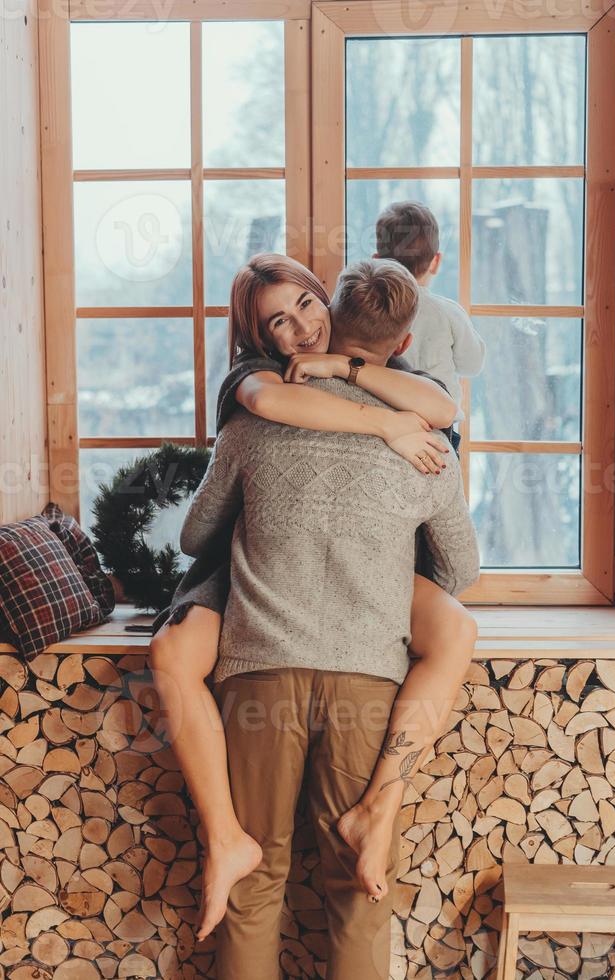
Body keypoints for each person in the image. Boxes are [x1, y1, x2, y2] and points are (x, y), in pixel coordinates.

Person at [148, 254, 478, 948]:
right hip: (363, 655)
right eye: (279, 320)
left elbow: (197, 530)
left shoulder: (377, 406)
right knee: (358, 891)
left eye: (306, 306)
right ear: (258, 337)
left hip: (266, 650)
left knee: (255, 880)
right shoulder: (269, 392)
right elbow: (461, 564)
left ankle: (336, 820)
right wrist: (387, 449)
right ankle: (374, 812)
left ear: (329, 301)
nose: (300, 327)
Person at [375, 200, 486, 450]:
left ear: (377, 261)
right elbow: (473, 364)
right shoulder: (447, 311)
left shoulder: (371, 311)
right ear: (436, 261)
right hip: (439, 427)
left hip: (388, 425)